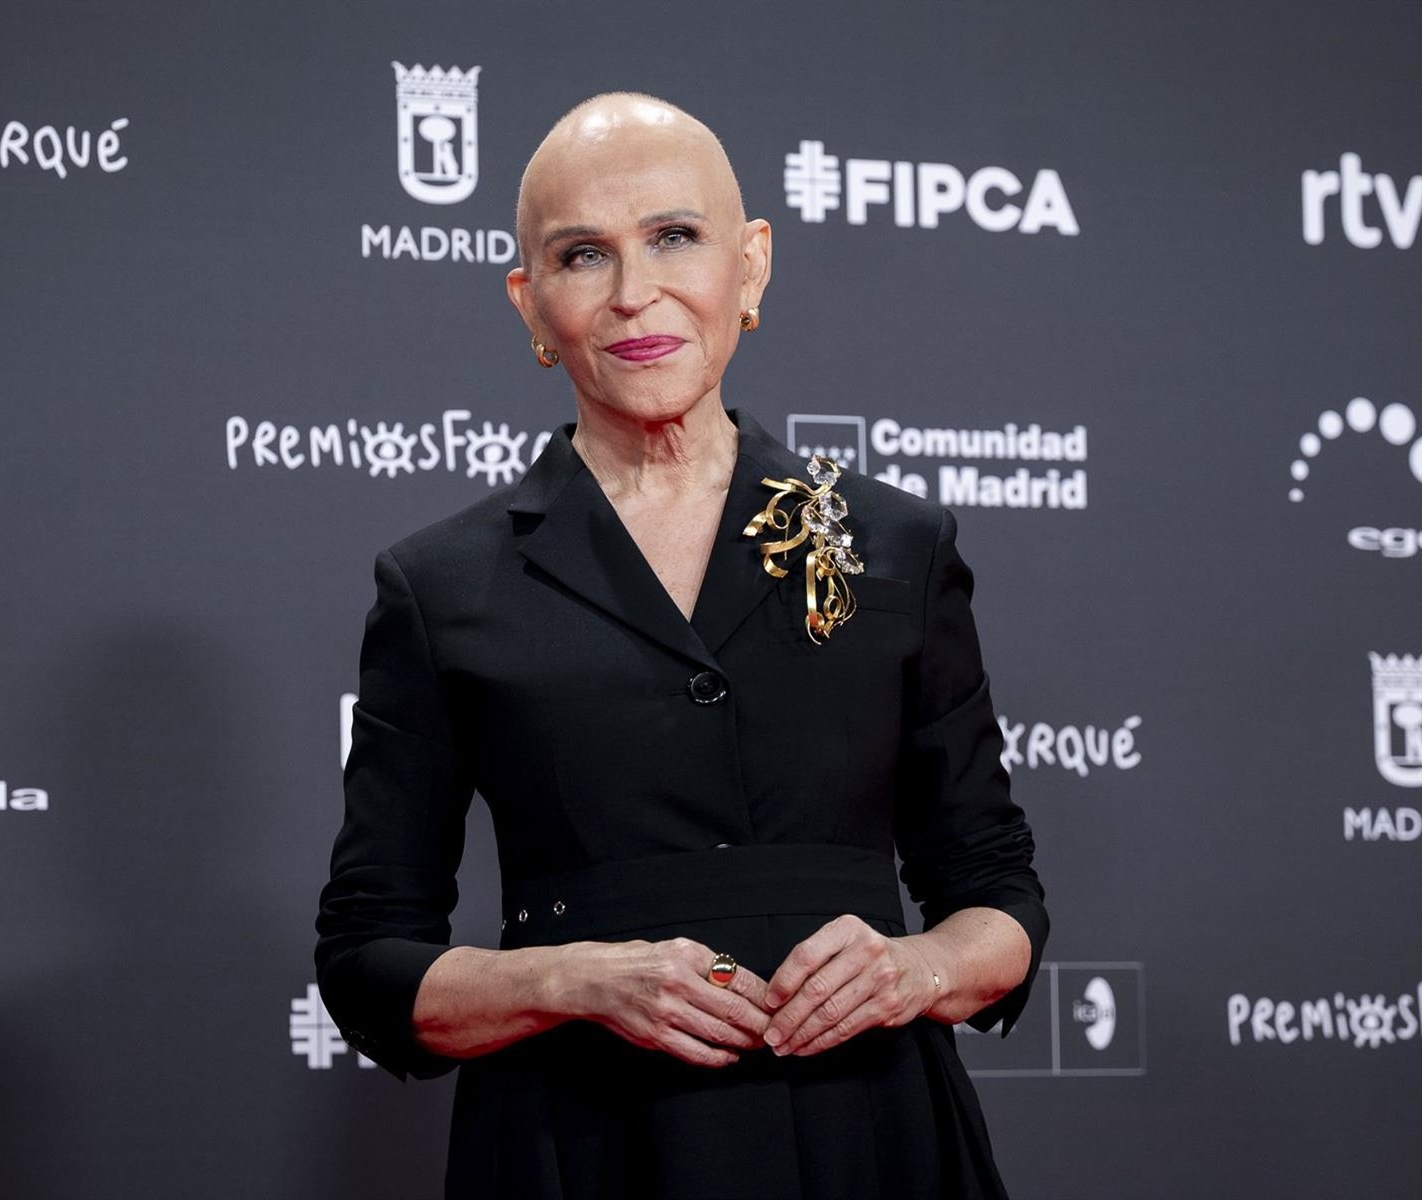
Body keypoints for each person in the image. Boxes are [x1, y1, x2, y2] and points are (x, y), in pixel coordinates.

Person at [316, 92, 1047, 1200]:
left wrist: (916, 966)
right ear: (529, 301)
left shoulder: (894, 542)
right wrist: (570, 980)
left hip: (869, 1135)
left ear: (750, 266)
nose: (632, 293)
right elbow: (369, 959)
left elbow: (995, 889)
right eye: (581, 255)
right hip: (583, 1145)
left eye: (673, 236)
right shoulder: (442, 585)